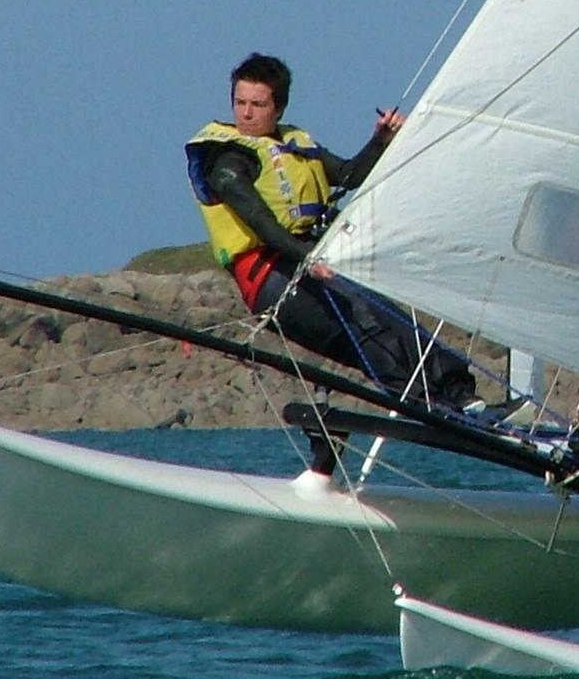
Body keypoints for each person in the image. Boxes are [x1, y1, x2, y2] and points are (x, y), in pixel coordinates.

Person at [185, 52, 478, 411]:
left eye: (257, 104)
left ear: (279, 108)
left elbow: (351, 175)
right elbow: (260, 221)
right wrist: (307, 260)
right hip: (271, 277)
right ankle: (426, 404)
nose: (246, 114)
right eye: (240, 103)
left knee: (391, 315)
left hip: (311, 259)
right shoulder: (226, 160)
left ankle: (461, 393)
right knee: (364, 324)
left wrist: (380, 141)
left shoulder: (295, 143)